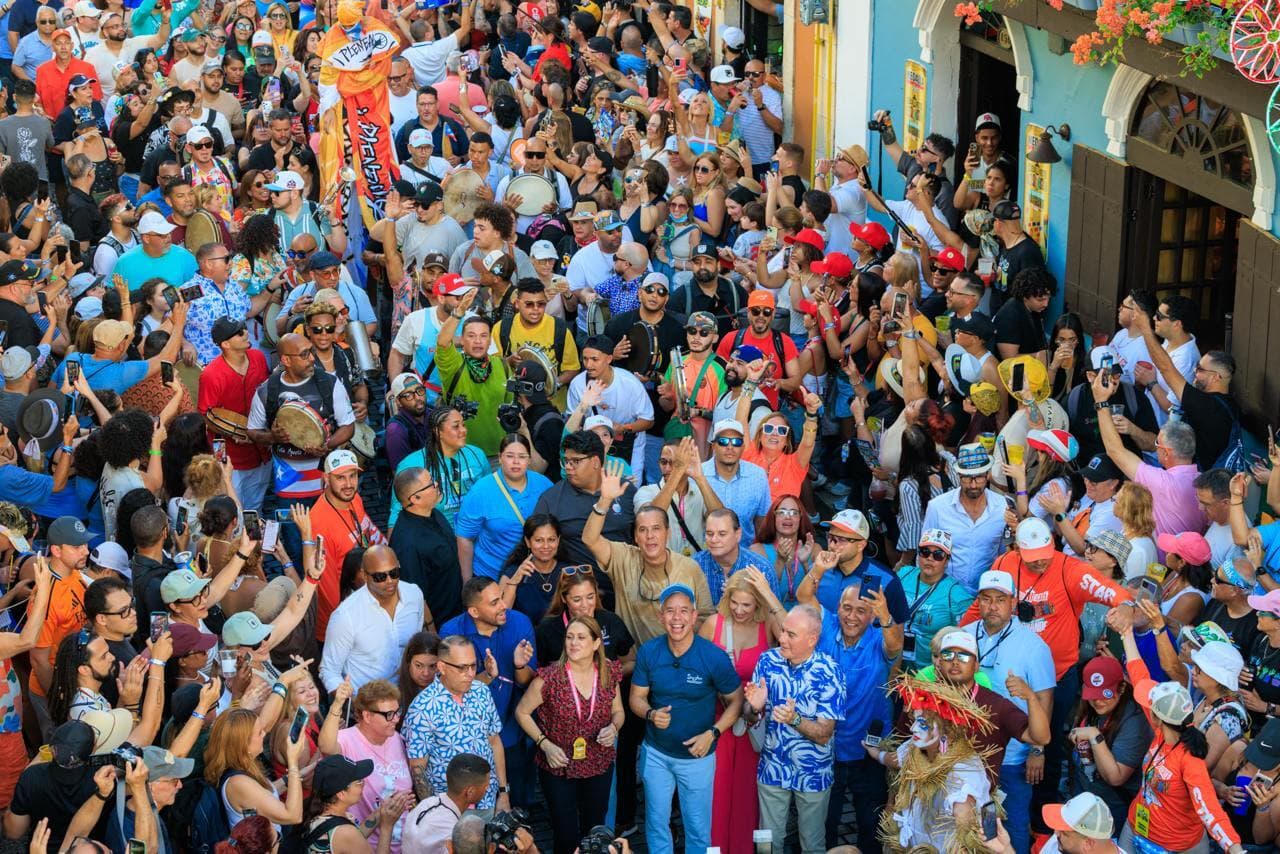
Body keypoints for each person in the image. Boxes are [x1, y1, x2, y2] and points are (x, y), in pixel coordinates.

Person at [630, 583, 742, 854]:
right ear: (661, 616)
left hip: (697, 757)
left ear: (694, 616)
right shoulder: (649, 651)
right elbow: (636, 698)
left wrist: (713, 733)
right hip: (656, 753)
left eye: (683, 611)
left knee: (697, 828)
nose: (676, 618)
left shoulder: (713, 656)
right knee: (656, 824)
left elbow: (736, 701)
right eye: (670, 611)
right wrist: (650, 713)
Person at [1116, 620, 1247, 853]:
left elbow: (1209, 809)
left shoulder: (1190, 759)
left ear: (1157, 717)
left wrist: (1235, 849)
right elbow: (1140, 677)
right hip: (1136, 827)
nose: (1193, 670)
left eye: (1199, 668)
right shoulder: (1167, 722)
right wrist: (1126, 634)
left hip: (1175, 846)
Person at [513, 615, 624, 854]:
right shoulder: (550, 677)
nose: (573, 643)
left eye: (581, 637)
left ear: (596, 644)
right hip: (558, 765)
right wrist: (545, 744)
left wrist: (613, 728)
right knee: (565, 834)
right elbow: (522, 712)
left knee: (594, 831)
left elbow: (619, 712)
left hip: (598, 762)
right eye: (569, 637)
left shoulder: (609, 673)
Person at [966, 569, 1057, 854]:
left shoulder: (1034, 646)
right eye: (986, 599)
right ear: (978, 601)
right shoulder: (965, 636)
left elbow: (1045, 700)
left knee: (1014, 824)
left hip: (1013, 757)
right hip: (967, 753)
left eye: (1000, 599)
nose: (992, 606)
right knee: (971, 822)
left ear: (1013, 602)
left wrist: (1038, 751)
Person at [743, 603, 844, 854]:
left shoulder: (830, 671)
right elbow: (749, 716)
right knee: (766, 843)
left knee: (812, 844)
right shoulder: (767, 660)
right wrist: (753, 708)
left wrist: (794, 719)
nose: (781, 638)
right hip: (773, 767)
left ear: (812, 639)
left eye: (791, 634)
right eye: (783, 631)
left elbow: (824, 734)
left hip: (813, 772)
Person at [581, 458, 711, 641]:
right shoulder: (623, 558)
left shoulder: (690, 567)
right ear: (635, 537)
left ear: (668, 533)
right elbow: (590, 539)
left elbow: (706, 617)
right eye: (643, 530)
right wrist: (605, 500)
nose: (650, 535)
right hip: (636, 664)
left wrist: (679, 638)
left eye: (656, 529)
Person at [820, 582, 901, 853]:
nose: (852, 616)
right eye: (847, 608)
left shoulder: (879, 637)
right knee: (825, 824)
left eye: (861, 611)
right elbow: (805, 600)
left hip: (870, 750)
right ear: (837, 609)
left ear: (873, 616)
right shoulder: (827, 627)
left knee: (871, 825)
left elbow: (895, 646)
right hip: (828, 748)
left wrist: (886, 616)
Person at [403, 635, 510, 812]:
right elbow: (417, 768)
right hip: (450, 809)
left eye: (473, 666)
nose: (470, 674)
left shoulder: (481, 691)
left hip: (488, 800)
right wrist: (435, 814)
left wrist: (503, 793)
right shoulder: (422, 708)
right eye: (462, 667)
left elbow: (494, 742)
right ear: (442, 667)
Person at [317, 678, 414, 852]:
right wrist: (338, 703)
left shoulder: (396, 739)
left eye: (398, 711)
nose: (396, 719)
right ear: (367, 716)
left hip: (406, 845)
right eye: (389, 714)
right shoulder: (347, 740)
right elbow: (326, 746)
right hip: (369, 846)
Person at [319, 546, 427, 693]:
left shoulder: (414, 595)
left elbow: (416, 645)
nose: (389, 581)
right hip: (366, 706)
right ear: (365, 575)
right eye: (380, 577)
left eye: (394, 573)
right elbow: (329, 671)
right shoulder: (345, 615)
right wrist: (354, 704)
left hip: (407, 697)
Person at [310, 450, 388, 636]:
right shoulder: (319, 524)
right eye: (340, 478)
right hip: (341, 622)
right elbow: (326, 585)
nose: (348, 484)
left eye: (353, 476)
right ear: (326, 478)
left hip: (366, 600)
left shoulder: (355, 499)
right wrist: (348, 624)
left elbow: (367, 533)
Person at [456, 434, 552, 582]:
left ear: (529, 459)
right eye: (509, 456)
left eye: (522, 456)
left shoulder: (544, 485)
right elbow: (465, 537)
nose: (516, 462)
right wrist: (467, 582)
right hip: (492, 575)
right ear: (500, 458)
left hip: (535, 574)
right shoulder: (481, 490)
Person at [797, 509, 909, 623]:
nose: (832, 545)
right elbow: (804, 602)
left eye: (841, 540)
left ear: (861, 545)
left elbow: (898, 631)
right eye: (830, 537)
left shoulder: (886, 580)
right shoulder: (819, 569)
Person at [390, 466, 464, 627]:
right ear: (415, 498)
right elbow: (415, 595)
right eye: (431, 484)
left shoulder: (434, 513)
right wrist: (431, 630)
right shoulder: (407, 543)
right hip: (441, 623)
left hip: (457, 613)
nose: (437, 484)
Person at [895, 529, 973, 671]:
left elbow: (966, 638)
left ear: (947, 560)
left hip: (929, 674)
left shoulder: (956, 595)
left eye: (938, 555)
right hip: (894, 663)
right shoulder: (904, 574)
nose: (930, 558)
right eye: (925, 552)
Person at [400, 754, 492, 853]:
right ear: (470, 792)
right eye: (486, 786)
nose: (487, 789)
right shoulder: (453, 832)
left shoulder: (425, 804)